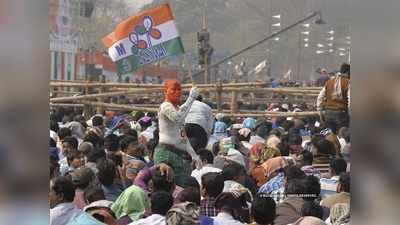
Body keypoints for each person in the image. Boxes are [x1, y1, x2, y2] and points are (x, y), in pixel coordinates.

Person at [154, 79, 199, 187]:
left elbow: (183, 135)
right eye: (173, 89)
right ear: (165, 91)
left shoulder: (178, 108)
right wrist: (191, 98)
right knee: (166, 185)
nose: (177, 92)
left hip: (178, 154)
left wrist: (194, 155)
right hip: (165, 154)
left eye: (179, 89)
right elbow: (177, 119)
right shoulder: (165, 106)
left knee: (181, 186)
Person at [317, 64, 350, 131]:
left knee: (329, 135)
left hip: (328, 113)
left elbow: (320, 97)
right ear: (348, 72)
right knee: (342, 136)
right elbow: (350, 100)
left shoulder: (329, 82)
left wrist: (319, 111)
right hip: (341, 114)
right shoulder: (348, 83)